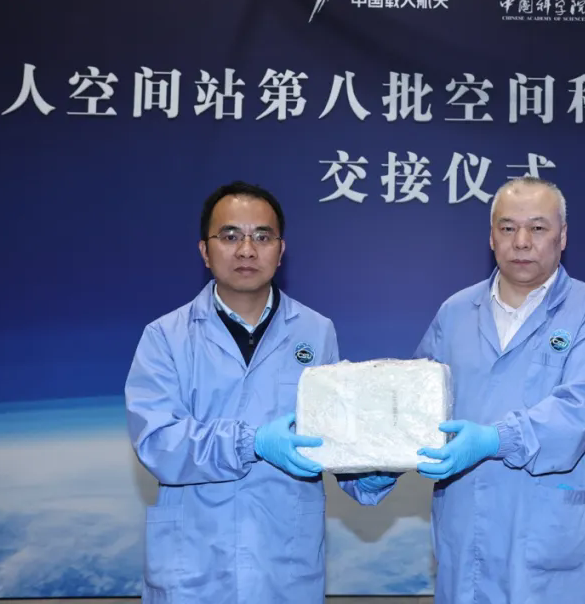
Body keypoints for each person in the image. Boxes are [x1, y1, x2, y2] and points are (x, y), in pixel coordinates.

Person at [124, 181, 397, 604]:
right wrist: (251, 442)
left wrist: (369, 471)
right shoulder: (165, 337)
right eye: (231, 236)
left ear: (281, 250)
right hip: (195, 567)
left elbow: (329, 434)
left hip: (283, 564)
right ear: (205, 251)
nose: (247, 250)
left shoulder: (316, 331)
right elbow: (158, 443)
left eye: (262, 237)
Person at [412, 175, 585, 604]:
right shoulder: (455, 312)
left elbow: (577, 411)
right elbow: (418, 403)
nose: (522, 241)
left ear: (562, 237)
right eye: (508, 228)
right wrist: (373, 464)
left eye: (538, 228)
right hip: (467, 532)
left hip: (549, 535)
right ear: (491, 238)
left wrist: (494, 439)